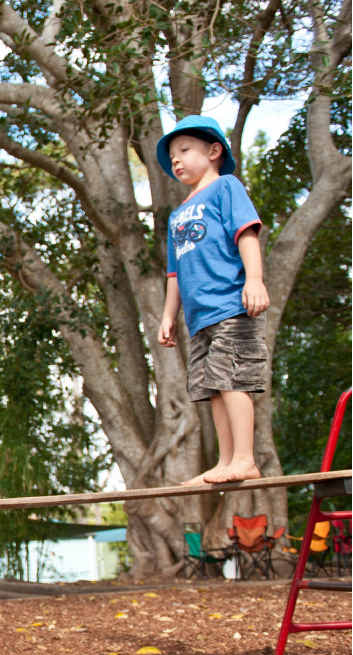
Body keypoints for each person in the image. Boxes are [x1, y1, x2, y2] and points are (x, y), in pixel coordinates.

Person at [156, 115, 270, 485]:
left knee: (233, 380)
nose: (176, 160)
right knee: (215, 389)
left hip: (232, 307)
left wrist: (254, 279)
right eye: (172, 155)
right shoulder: (177, 216)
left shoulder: (225, 188)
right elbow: (175, 272)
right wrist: (168, 316)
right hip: (200, 318)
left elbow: (246, 235)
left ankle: (245, 458)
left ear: (214, 151)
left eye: (184, 150)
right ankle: (226, 462)